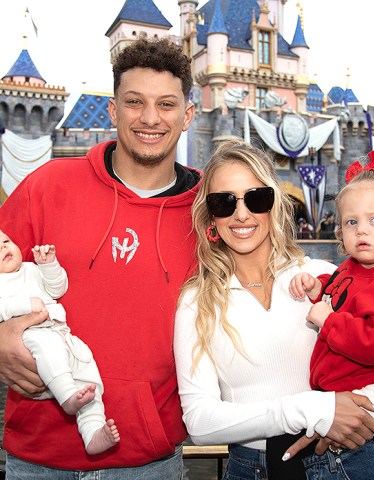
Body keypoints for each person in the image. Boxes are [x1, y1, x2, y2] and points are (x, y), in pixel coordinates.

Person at [0, 36, 201, 479]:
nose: (150, 118)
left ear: (187, 115)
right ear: (113, 110)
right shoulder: (47, 186)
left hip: (147, 460)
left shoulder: (215, 208)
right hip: (37, 456)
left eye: (166, 104)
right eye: (134, 102)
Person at [174, 140, 374, 480]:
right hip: (251, 468)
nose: (241, 214)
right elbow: (200, 422)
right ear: (210, 215)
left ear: (274, 203)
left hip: (343, 458)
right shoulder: (198, 301)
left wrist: (360, 411)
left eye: (256, 197)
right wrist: (313, 409)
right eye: (224, 202)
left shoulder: (323, 277)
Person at [289, 149, 374, 479]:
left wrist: (329, 321)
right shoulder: (351, 268)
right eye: (352, 222)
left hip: (351, 430)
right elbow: (338, 292)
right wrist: (317, 287)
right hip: (328, 408)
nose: (362, 231)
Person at [0, 231, 120, 455]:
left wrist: (48, 265)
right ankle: (67, 397)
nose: (4, 248)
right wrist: (25, 305)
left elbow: (57, 289)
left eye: (6, 242)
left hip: (61, 332)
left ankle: (93, 431)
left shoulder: (31, 269)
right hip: (32, 335)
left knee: (86, 370)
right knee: (50, 350)